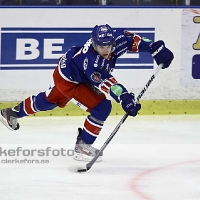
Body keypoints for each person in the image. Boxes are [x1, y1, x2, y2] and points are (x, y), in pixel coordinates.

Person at [0, 24, 174, 162]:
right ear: (93, 43)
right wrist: (125, 98)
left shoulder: (117, 38)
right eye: (101, 46)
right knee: (102, 106)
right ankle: (83, 146)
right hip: (70, 79)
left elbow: (133, 40)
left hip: (68, 68)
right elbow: (108, 84)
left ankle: (11, 113)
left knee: (49, 100)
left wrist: (154, 47)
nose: (106, 50)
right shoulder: (92, 62)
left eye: (108, 45)